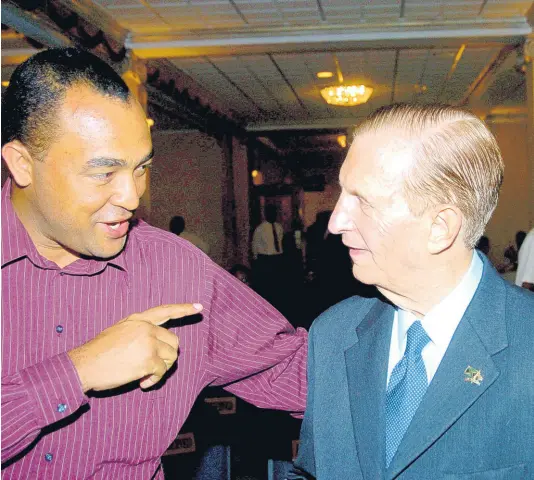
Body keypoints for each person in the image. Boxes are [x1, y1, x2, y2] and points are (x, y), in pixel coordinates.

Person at [1, 48, 307, 479]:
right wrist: (77, 371)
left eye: (141, 167)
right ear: (21, 164)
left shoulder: (176, 271)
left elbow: (294, 370)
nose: (132, 197)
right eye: (104, 173)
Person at [294, 104, 534, 479]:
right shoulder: (333, 333)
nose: (337, 222)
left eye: (363, 201)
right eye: (343, 193)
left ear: (440, 227)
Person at [251, 204, 285, 305]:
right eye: (270, 213)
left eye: (274, 213)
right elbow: (255, 244)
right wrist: (256, 259)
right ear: (266, 214)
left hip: (277, 258)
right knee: (267, 285)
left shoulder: (279, 227)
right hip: (265, 259)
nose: (272, 215)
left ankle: (278, 302)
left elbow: (280, 242)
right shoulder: (260, 228)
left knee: (277, 283)